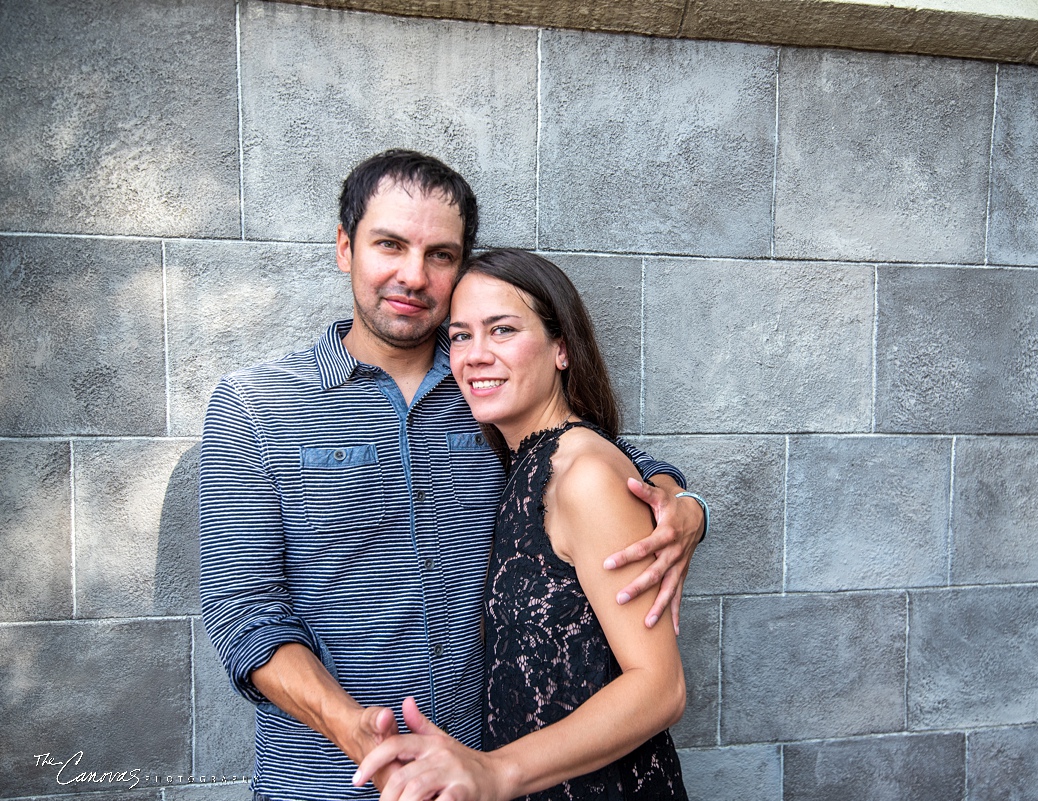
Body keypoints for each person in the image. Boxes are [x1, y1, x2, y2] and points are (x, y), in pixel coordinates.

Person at [198, 150, 706, 801]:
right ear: (345, 247)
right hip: (326, 779)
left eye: (440, 254)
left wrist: (681, 501)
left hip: (482, 771)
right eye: (389, 244)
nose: (413, 274)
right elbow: (244, 611)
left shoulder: (487, 381)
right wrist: (349, 725)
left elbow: (604, 454)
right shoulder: (256, 406)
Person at [353, 248, 689, 801]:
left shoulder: (584, 475)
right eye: (459, 336)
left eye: (502, 330)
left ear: (561, 348)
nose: (475, 356)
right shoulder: (522, 463)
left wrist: (496, 771)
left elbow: (660, 688)